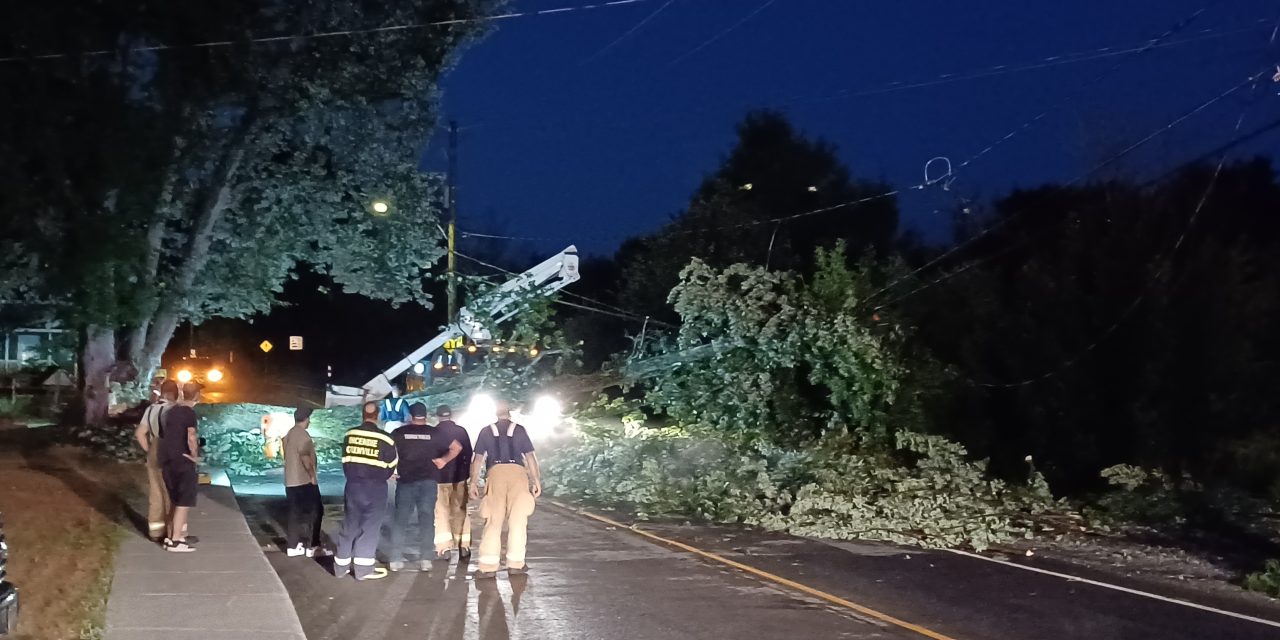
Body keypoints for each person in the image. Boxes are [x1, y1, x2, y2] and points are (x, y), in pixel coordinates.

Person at [469, 403, 541, 579]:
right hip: (518, 474)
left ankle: (487, 566)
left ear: (495, 413)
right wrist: (535, 479)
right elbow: (530, 456)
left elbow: (478, 459)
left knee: (494, 520)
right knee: (518, 520)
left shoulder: (486, 431)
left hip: (496, 473)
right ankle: (516, 564)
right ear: (509, 413)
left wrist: (473, 482)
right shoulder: (520, 430)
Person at [389, 402, 462, 572]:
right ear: (426, 415)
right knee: (427, 520)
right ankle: (426, 560)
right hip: (428, 482)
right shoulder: (434, 432)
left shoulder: (399, 433)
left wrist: (390, 470)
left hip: (405, 482)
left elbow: (386, 450)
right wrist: (443, 461)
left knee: (400, 521)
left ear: (410, 416)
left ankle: (395, 559)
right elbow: (457, 447)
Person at [334, 402, 398, 580]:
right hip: (375, 487)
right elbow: (391, 466)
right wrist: (381, 474)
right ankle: (362, 570)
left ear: (362, 414)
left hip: (353, 485)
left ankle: (340, 568)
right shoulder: (386, 439)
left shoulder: (350, 434)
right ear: (377, 415)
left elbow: (345, 459)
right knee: (369, 527)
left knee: (350, 524)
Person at [158, 382, 202, 553]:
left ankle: (170, 537)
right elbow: (191, 435)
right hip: (183, 461)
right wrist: (194, 455)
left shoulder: (171, 412)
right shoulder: (189, 413)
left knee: (175, 501)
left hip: (168, 460)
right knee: (183, 502)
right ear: (197, 396)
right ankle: (176, 540)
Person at [134, 380, 177, 541]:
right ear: (174, 393)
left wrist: (149, 450)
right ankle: (172, 532)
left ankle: (155, 532)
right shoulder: (174, 410)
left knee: (156, 493)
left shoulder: (151, 409)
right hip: (169, 451)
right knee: (171, 494)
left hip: (153, 450)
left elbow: (140, 433)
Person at [431, 404, 473, 561]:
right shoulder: (461, 431)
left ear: (437, 416)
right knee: (460, 510)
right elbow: (469, 453)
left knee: (441, 512)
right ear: (451, 415)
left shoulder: (434, 432)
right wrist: (467, 474)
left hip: (439, 479)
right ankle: (464, 546)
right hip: (459, 478)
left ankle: (444, 548)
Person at [283, 407, 324, 558]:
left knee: (294, 513)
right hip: (303, 480)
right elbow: (305, 457)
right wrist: (312, 475)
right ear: (306, 419)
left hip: (290, 480)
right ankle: (313, 545)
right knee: (316, 511)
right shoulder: (303, 436)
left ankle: (292, 546)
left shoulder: (290, 433)